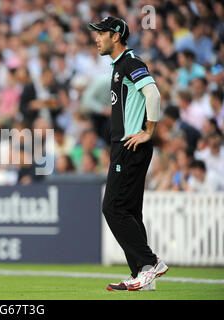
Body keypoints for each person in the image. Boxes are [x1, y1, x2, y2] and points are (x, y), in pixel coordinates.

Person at [88, 16, 168, 291]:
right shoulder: (118, 66)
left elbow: (153, 95)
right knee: (131, 211)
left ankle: (151, 263)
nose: (96, 38)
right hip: (126, 147)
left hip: (130, 146)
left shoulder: (131, 63)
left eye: (101, 33)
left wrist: (149, 130)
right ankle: (143, 275)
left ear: (116, 35)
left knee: (112, 207)